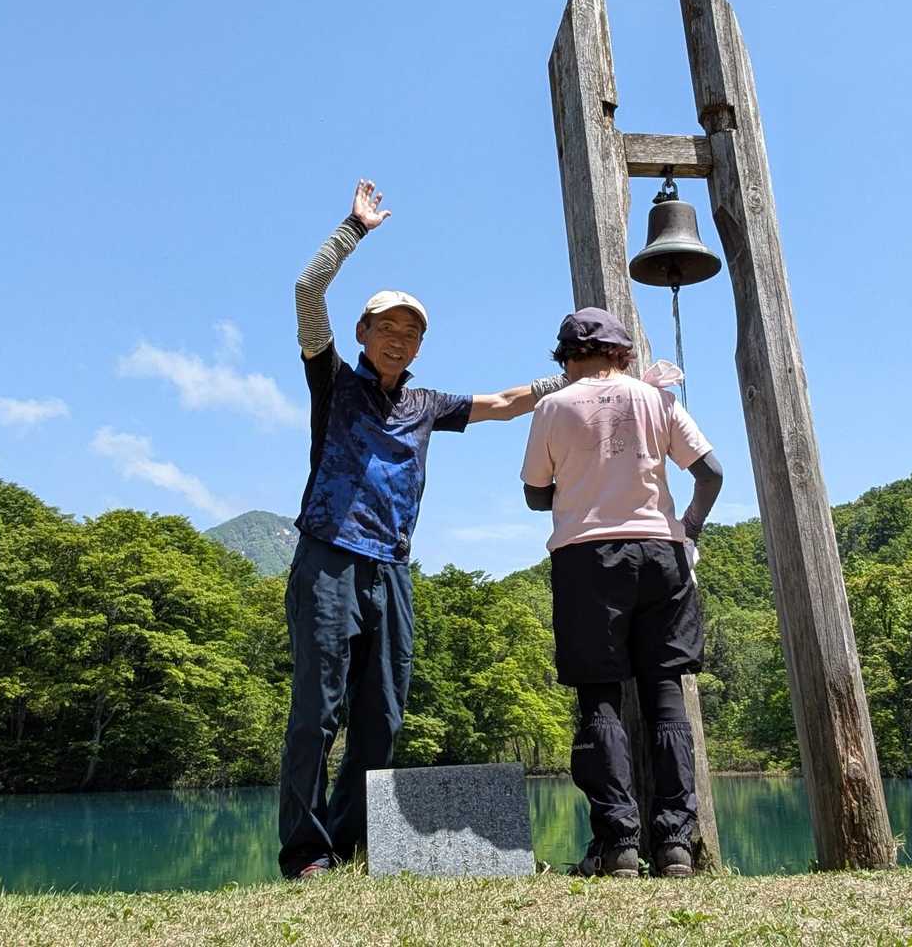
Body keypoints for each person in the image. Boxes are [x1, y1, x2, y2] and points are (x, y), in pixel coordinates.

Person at [279, 178, 564, 879]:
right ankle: (306, 853)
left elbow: (504, 402)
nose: (398, 340)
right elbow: (307, 292)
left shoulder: (428, 404)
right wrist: (352, 230)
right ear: (363, 334)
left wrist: (574, 377)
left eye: (410, 333)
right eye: (387, 328)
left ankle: (350, 845)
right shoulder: (333, 382)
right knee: (318, 709)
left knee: (383, 716)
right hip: (329, 556)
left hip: (393, 568)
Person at [520, 307, 723, 878]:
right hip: (660, 552)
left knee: (599, 697)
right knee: (665, 692)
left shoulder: (553, 406)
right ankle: (676, 844)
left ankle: (619, 846)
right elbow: (710, 472)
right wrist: (689, 528)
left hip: (586, 558)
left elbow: (535, 494)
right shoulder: (657, 399)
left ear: (566, 358)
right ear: (622, 353)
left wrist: (575, 485)